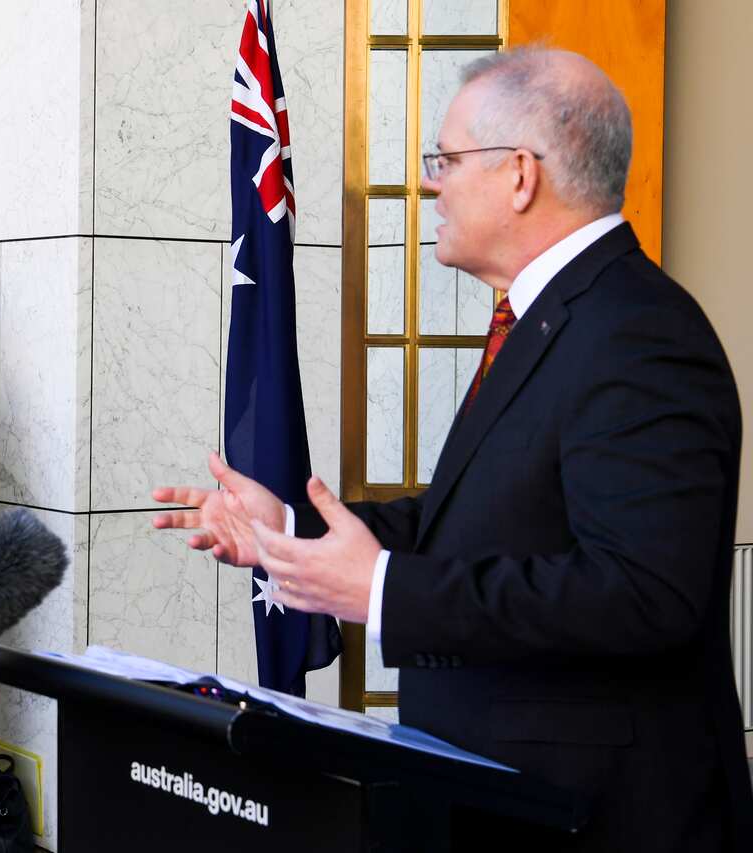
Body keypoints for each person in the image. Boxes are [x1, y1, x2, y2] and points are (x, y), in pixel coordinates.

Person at [152, 48, 752, 850]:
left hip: (597, 817)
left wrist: (385, 591)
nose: (431, 182)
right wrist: (291, 532)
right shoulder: (550, 317)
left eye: (446, 159)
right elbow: (474, 522)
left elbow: (642, 593)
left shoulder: (637, 332)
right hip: (494, 799)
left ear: (519, 176)